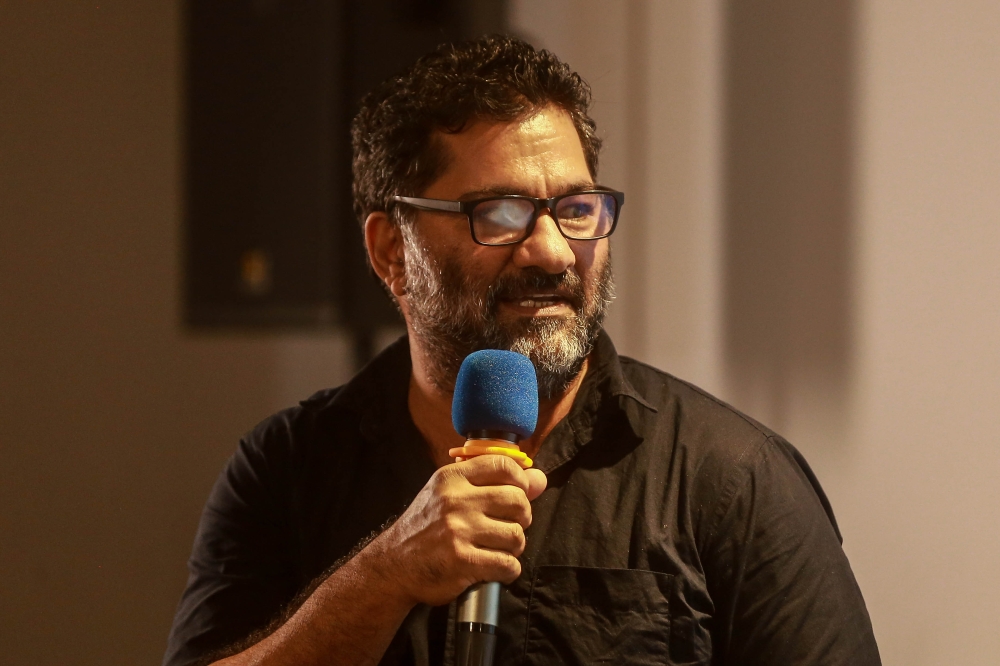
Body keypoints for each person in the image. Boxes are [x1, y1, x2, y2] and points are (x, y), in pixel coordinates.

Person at [164, 36, 880, 666]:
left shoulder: (732, 479)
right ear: (391, 251)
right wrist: (385, 575)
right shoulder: (287, 469)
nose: (552, 251)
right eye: (499, 213)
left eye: (576, 209)